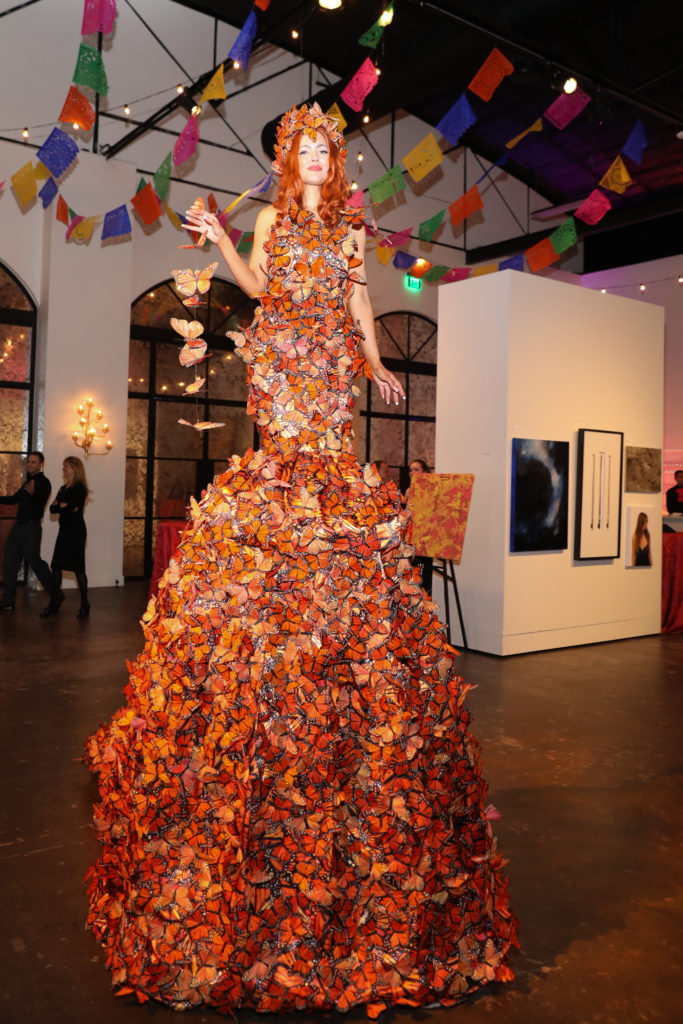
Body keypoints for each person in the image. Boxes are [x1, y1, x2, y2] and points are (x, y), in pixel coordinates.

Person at [84, 103, 517, 1014]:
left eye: (327, 147)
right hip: (281, 348)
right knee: (280, 473)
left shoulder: (349, 224)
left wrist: (369, 357)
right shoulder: (276, 219)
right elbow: (255, 283)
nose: (317, 158)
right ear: (290, 159)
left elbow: (357, 294)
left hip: (326, 358)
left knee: (328, 476)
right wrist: (217, 239)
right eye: (306, 148)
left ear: (336, 159)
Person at [0, 451, 56, 612]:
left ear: (41, 464)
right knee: (10, 562)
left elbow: (41, 499)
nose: (30, 464)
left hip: (31, 528)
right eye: (29, 462)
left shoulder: (44, 483)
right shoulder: (28, 482)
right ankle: (8, 600)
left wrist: (34, 493)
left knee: (35, 563)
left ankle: (55, 593)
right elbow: (13, 500)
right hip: (18, 528)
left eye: (34, 462)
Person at [41, 456, 89, 619]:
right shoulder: (62, 489)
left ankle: (85, 604)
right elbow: (53, 510)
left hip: (76, 532)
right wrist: (64, 506)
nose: (63, 469)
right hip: (64, 531)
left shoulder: (80, 488)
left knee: (78, 569)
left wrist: (64, 506)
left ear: (74, 469)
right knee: (56, 567)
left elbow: (67, 508)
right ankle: (53, 603)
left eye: (66, 466)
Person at [405, 458, 434, 596]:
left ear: (425, 472)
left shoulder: (431, 490)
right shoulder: (408, 491)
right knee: (413, 573)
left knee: (425, 572)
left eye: (416, 469)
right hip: (412, 537)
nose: (412, 472)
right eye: (411, 470)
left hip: (427, 537)